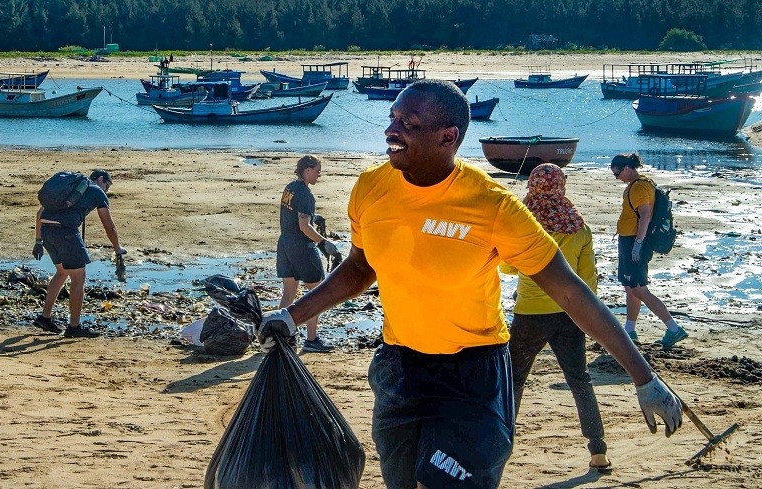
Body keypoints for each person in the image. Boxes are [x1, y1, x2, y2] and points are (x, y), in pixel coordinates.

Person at [258, 81, 682, 489]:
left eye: (408, 123)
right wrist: (291, 315)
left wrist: (644, 378)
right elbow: (358, 267)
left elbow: (571, 291)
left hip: (473, 376)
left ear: (448, 136)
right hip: (399, 372)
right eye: (392, 118)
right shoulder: (371, 188)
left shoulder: (493, 206)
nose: (391, 130)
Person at [499, 163, 610, 473]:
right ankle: (598, 449)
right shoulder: (578, 227)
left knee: (513, 381)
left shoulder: (524, 224)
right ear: (561, 185)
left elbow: (507, 268)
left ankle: (500, 446)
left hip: (530, 313)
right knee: (580, 380)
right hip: (569, 314)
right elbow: (588, 280)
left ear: (533, 186)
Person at [31, 169, 126, 338]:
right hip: (66, 232)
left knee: (61, 273)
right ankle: (74, 327)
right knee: (78, 278)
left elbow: (40, 214)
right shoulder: (97, 191)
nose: (107, 190)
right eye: (107, 186)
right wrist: (118, 249)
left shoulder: (68, 189)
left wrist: (38, 241)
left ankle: (44, 318)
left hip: (47, 231)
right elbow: (109, 226)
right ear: (101, 179)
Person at [611, 152, 688, 349]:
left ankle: (673, 328)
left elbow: (645, 216)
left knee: (638, 287)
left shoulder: (638, 187)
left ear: (627, 168)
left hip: (634, 242)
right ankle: (630, 329)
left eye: (617, 173)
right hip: (630, 240)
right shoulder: (643, 182)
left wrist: (638, 243)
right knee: (630, 286)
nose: (616, 178)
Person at [277, 155, 340, 353]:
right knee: (316, 295)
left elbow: (296, 216)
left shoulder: (290, 188)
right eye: (317, 170)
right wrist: (324, 242)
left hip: (285, 244)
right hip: (301, 248)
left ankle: (281, 337)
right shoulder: (305, 193)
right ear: (307, 170)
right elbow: (304, 226)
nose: (319, 174)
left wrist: (315, 217)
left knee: (288, 294)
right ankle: (311, 340)